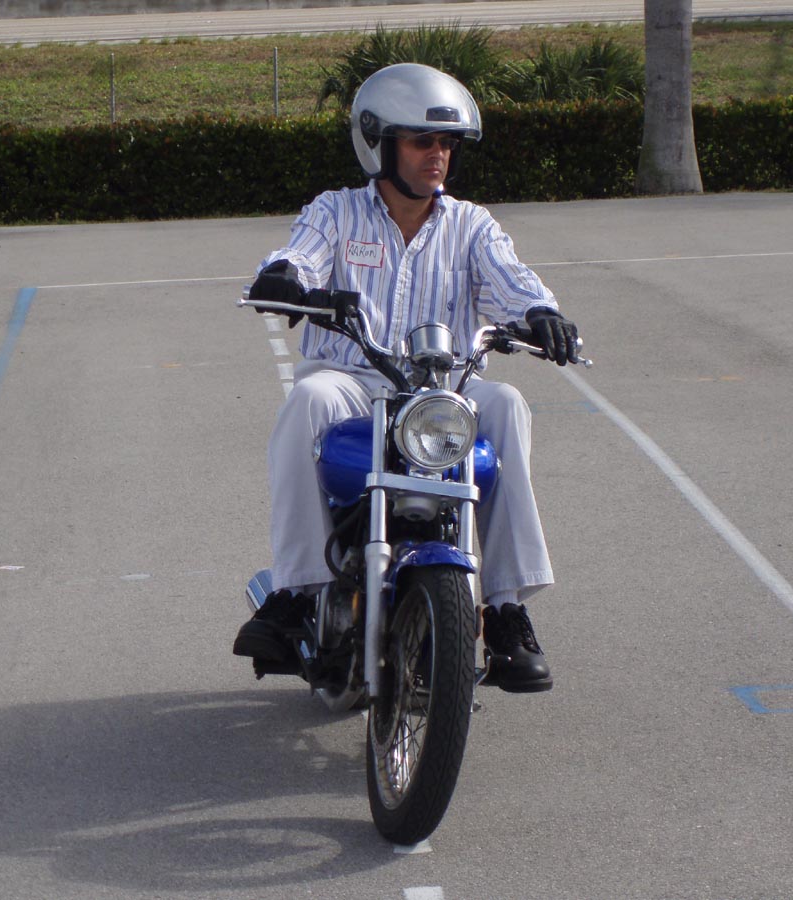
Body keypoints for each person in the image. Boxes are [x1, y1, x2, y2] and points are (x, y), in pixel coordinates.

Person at [233, 63, 579, 693]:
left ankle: (505, 609)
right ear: (380, 144)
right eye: (422, 141)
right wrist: (285, 277)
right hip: (352, 383)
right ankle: (296, 593)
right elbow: (300, 254)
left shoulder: (471, 225)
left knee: (507, 403)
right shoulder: (337, 212)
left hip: (442, 393)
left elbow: (511, 279)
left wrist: (539, 313)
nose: (437, 155)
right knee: (307, 398)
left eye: (446, 143)